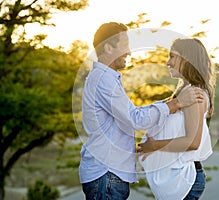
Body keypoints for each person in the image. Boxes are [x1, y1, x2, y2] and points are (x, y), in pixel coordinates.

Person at [78, 22, 204, 200]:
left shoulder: (106, 78)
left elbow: (130, 113)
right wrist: (175, 104)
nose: (129, 52)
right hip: (106, 175)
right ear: (107, 47)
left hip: (108, 175)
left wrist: (171, 102)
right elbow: (135, 118)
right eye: (125, 46)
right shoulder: (103, 80)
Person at [138, 38, 217, 200]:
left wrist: (153, 145)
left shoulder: (195, 94)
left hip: (183, 181)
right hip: (176, 180)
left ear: (187, 59)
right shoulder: (185, 92)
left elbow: (192, 142)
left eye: (172, 57)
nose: (168, 63)